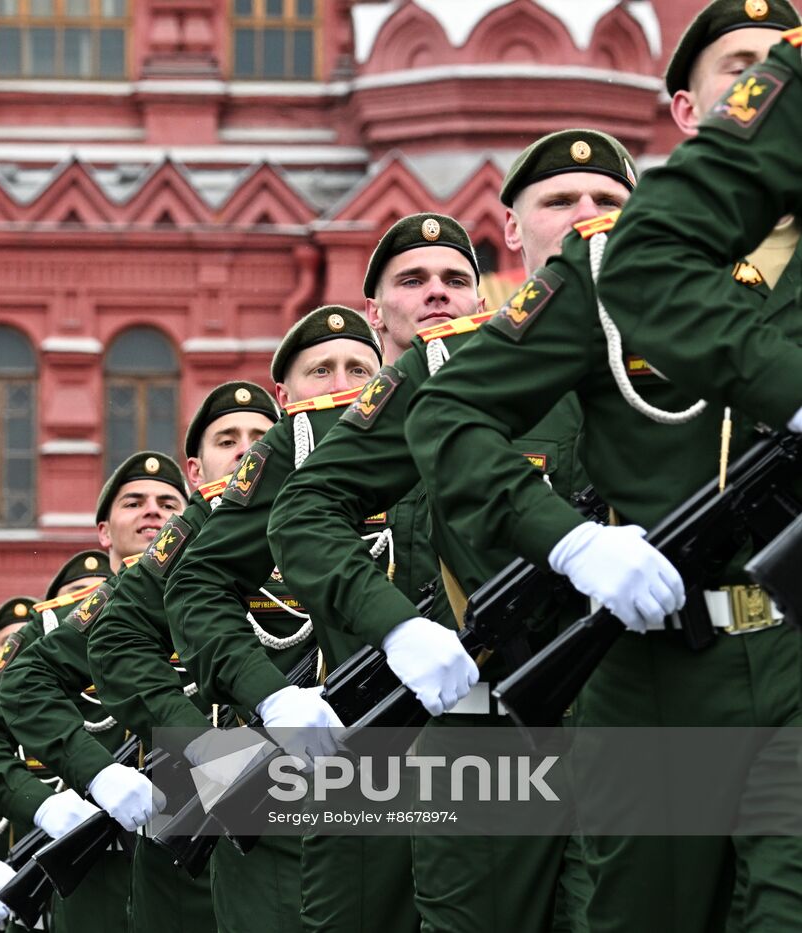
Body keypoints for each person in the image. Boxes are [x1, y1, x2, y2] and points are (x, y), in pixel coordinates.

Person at [403, 5, 802, 931]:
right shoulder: (606, 265)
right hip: (662, 668)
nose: (767, 80)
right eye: (742, 67)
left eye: (778, 64)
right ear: (689, 110)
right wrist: (572, 543)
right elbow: (448, 411)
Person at [270, 133, 635, 933]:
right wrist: (390, 633)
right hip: (453, 719)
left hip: (630, 709)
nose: (585, 221)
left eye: (606, 202)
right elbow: (295, 523)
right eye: (412, 280)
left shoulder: (665, 345)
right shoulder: (429, 385)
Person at [163, 302, 404, 933]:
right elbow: (147, 631)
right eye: (320, 371)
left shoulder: (417, 453)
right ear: (286, 395)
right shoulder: (236, 512)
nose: (341, 383)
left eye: (357, 367)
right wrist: (223, 739)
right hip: (275, 772)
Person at [85, 381, 298, 932]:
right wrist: (208, 751)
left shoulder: (325, 513)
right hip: (225, 799)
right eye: (228, 439)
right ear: (198, 469)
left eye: (261, 435)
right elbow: (109, 644)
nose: (249, 449)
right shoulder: (182, 553)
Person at [0, 451, 190, 929]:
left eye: (169, 502)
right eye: (134, 502)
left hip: (213, 833)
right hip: (104, 855)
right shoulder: (67, 624)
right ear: (104, 531)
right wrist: (92, 776)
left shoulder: (220, 597)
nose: (153, 511)